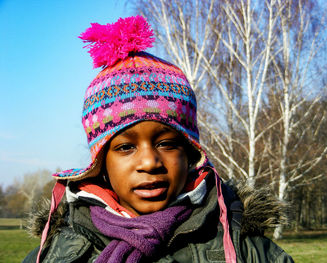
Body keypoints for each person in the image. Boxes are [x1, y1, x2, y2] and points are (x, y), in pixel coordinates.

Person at [23, 16, 294, 263]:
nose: (150, 162)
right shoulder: (56, 254)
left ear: (189, 152)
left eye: (166, 143)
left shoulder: (246, 251)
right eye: (125, 147)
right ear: (101, 162)